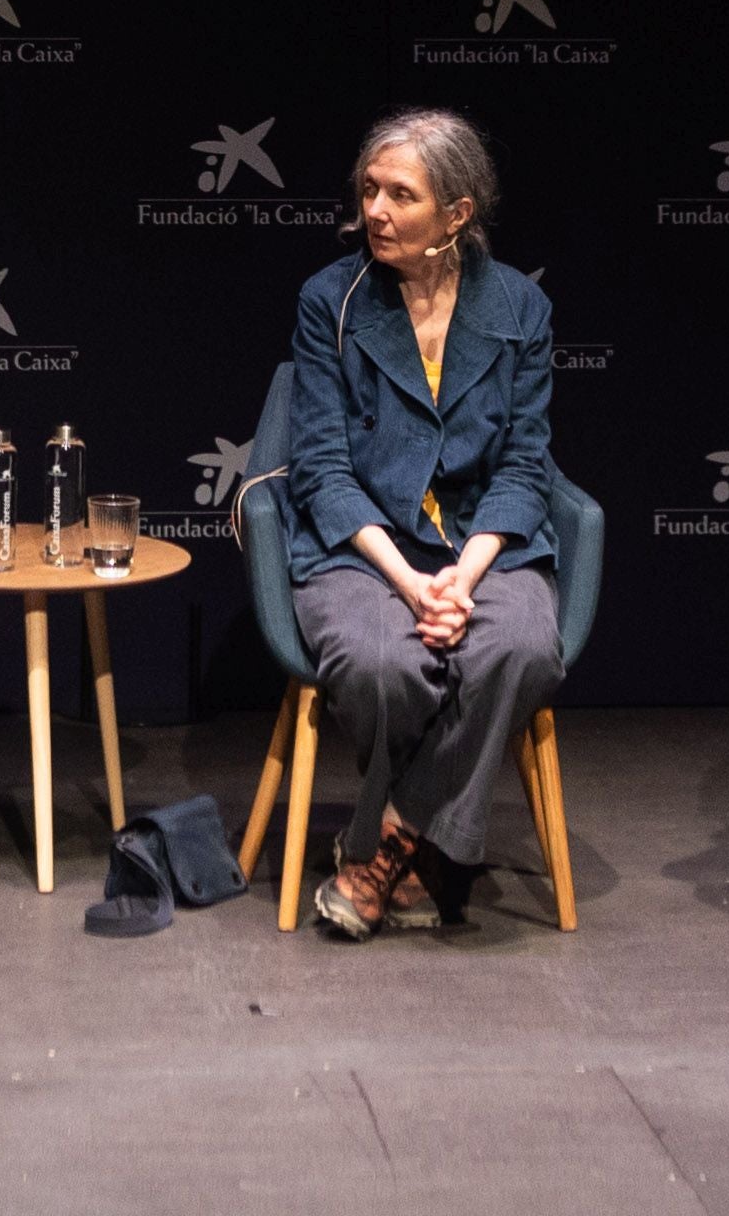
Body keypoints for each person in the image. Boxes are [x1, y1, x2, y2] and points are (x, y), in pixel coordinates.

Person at [274, 108, 565, 938]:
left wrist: (463, 579)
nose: (376, 210)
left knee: (519, 645)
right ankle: (438, 846)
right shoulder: (329, 301)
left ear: (457, 215)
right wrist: (408, 582)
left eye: (401, 195)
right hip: (366, 549)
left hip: (483, 545)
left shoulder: (522, 308)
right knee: (379, 663)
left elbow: (523, 467)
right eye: (369, 190)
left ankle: (385, 845)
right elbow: (323, 471)